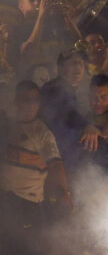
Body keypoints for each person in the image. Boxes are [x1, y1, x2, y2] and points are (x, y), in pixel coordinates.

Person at [1, 81, 70, 238]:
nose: (32, 105)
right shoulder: (8, 125)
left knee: (32, 253)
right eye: (27, 100)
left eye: (36, 100)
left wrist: (63, 193)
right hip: (6, 199)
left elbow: (56, 165)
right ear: (17, 101)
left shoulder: (43, 134)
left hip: (28, 203)